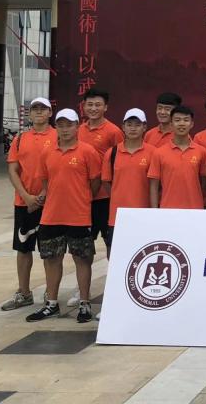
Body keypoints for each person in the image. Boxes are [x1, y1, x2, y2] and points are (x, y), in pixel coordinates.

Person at [26, 109, 100, 324]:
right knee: (51, 259)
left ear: (77, 126)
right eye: (61, 125)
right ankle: (51, 303)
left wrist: (81, 198)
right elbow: (45, 181)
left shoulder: (88, 151)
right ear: (56, 127)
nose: (65, 129)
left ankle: (84, 303)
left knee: (82, 260)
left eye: (69, 125)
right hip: (51, 215)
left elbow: (95, 183)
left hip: (79, 215)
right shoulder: (47, 152)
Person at [69, 88, 123, 309]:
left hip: (106, 198)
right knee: (83, 247)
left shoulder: (114, 132)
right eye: (89, 104)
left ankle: (114, 290)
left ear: (106, 107)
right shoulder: (77, 130)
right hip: (83, 200)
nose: (93, 108)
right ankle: (82, 290)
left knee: (111, 246)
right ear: (83, 106)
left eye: (98, 104)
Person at [2, 97, 56, 312]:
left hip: (50, 203)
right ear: (30, 113)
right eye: (35, 109)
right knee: (23, 249)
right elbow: (13, 170)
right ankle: (24, 293)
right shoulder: (20, 139)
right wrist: (26, 197)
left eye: (43, 109)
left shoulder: (57, 137)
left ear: (50, 112)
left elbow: (58, 170)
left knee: (50, 251)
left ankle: (51, 293)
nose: (39, 112)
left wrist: (43, 195)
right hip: (23, 202)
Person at [101, 108, 154, 256]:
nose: (133, 128)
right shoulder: (112, 153)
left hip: (143, 214)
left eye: (137, 124)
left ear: (144, 127)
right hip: (117, 216)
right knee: (114, 255)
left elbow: (156, 185)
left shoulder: (153, 153)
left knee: (143, 256)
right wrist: (118, 196)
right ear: (123, 127)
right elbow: (106, 182)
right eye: (129, 124)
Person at [148, 105, 206, 210]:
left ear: (192, 124)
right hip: (167, 209)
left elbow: (204, 182)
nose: (181, 123)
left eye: (186, 120)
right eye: (177, 120)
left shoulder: (201, 151)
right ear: (171, 124)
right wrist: (155, 212)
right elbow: (154, 186)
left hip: (195, 209)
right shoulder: (159, 152)